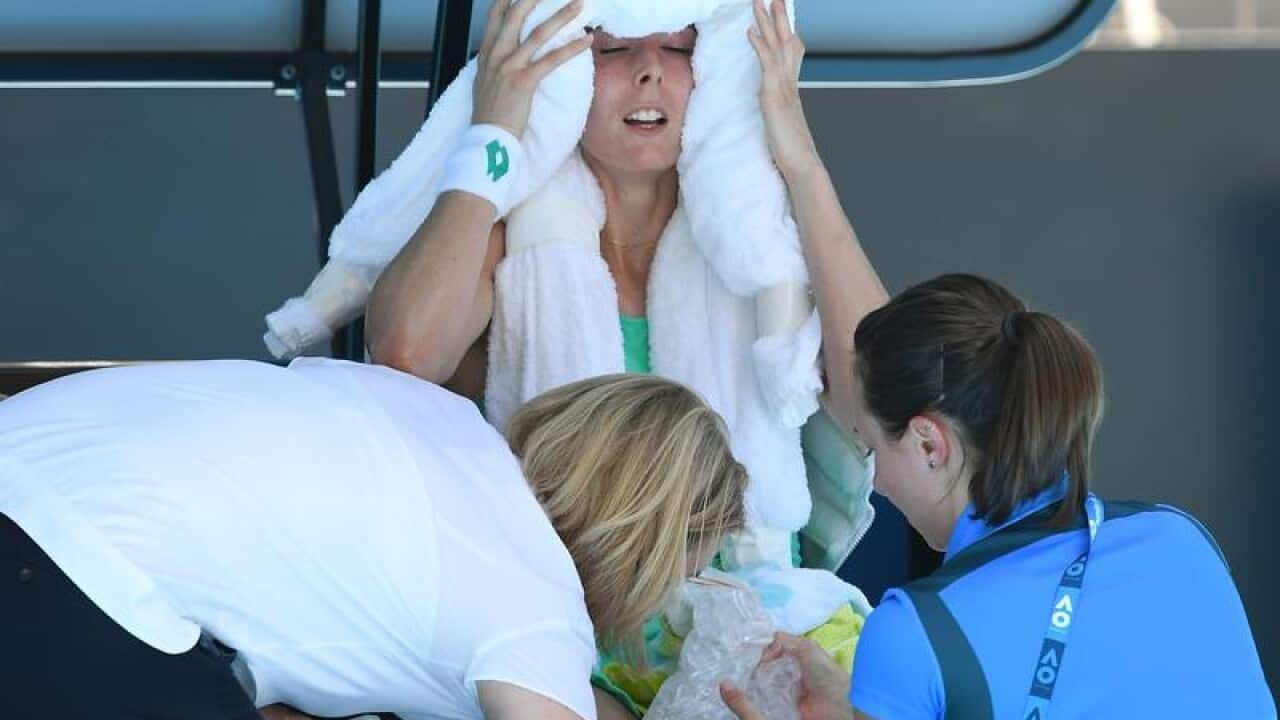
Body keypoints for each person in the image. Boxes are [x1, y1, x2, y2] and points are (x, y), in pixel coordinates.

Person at [0, 358, 746, 720]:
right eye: (684, 568)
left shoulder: (432, 410)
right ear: (649, 541)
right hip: (78, 579)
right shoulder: (535, 605)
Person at [718, 273, 1276, 718]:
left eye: (870, 447)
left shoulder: (914, 634)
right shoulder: (1179, 537)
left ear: (928, 443)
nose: (878, 483)